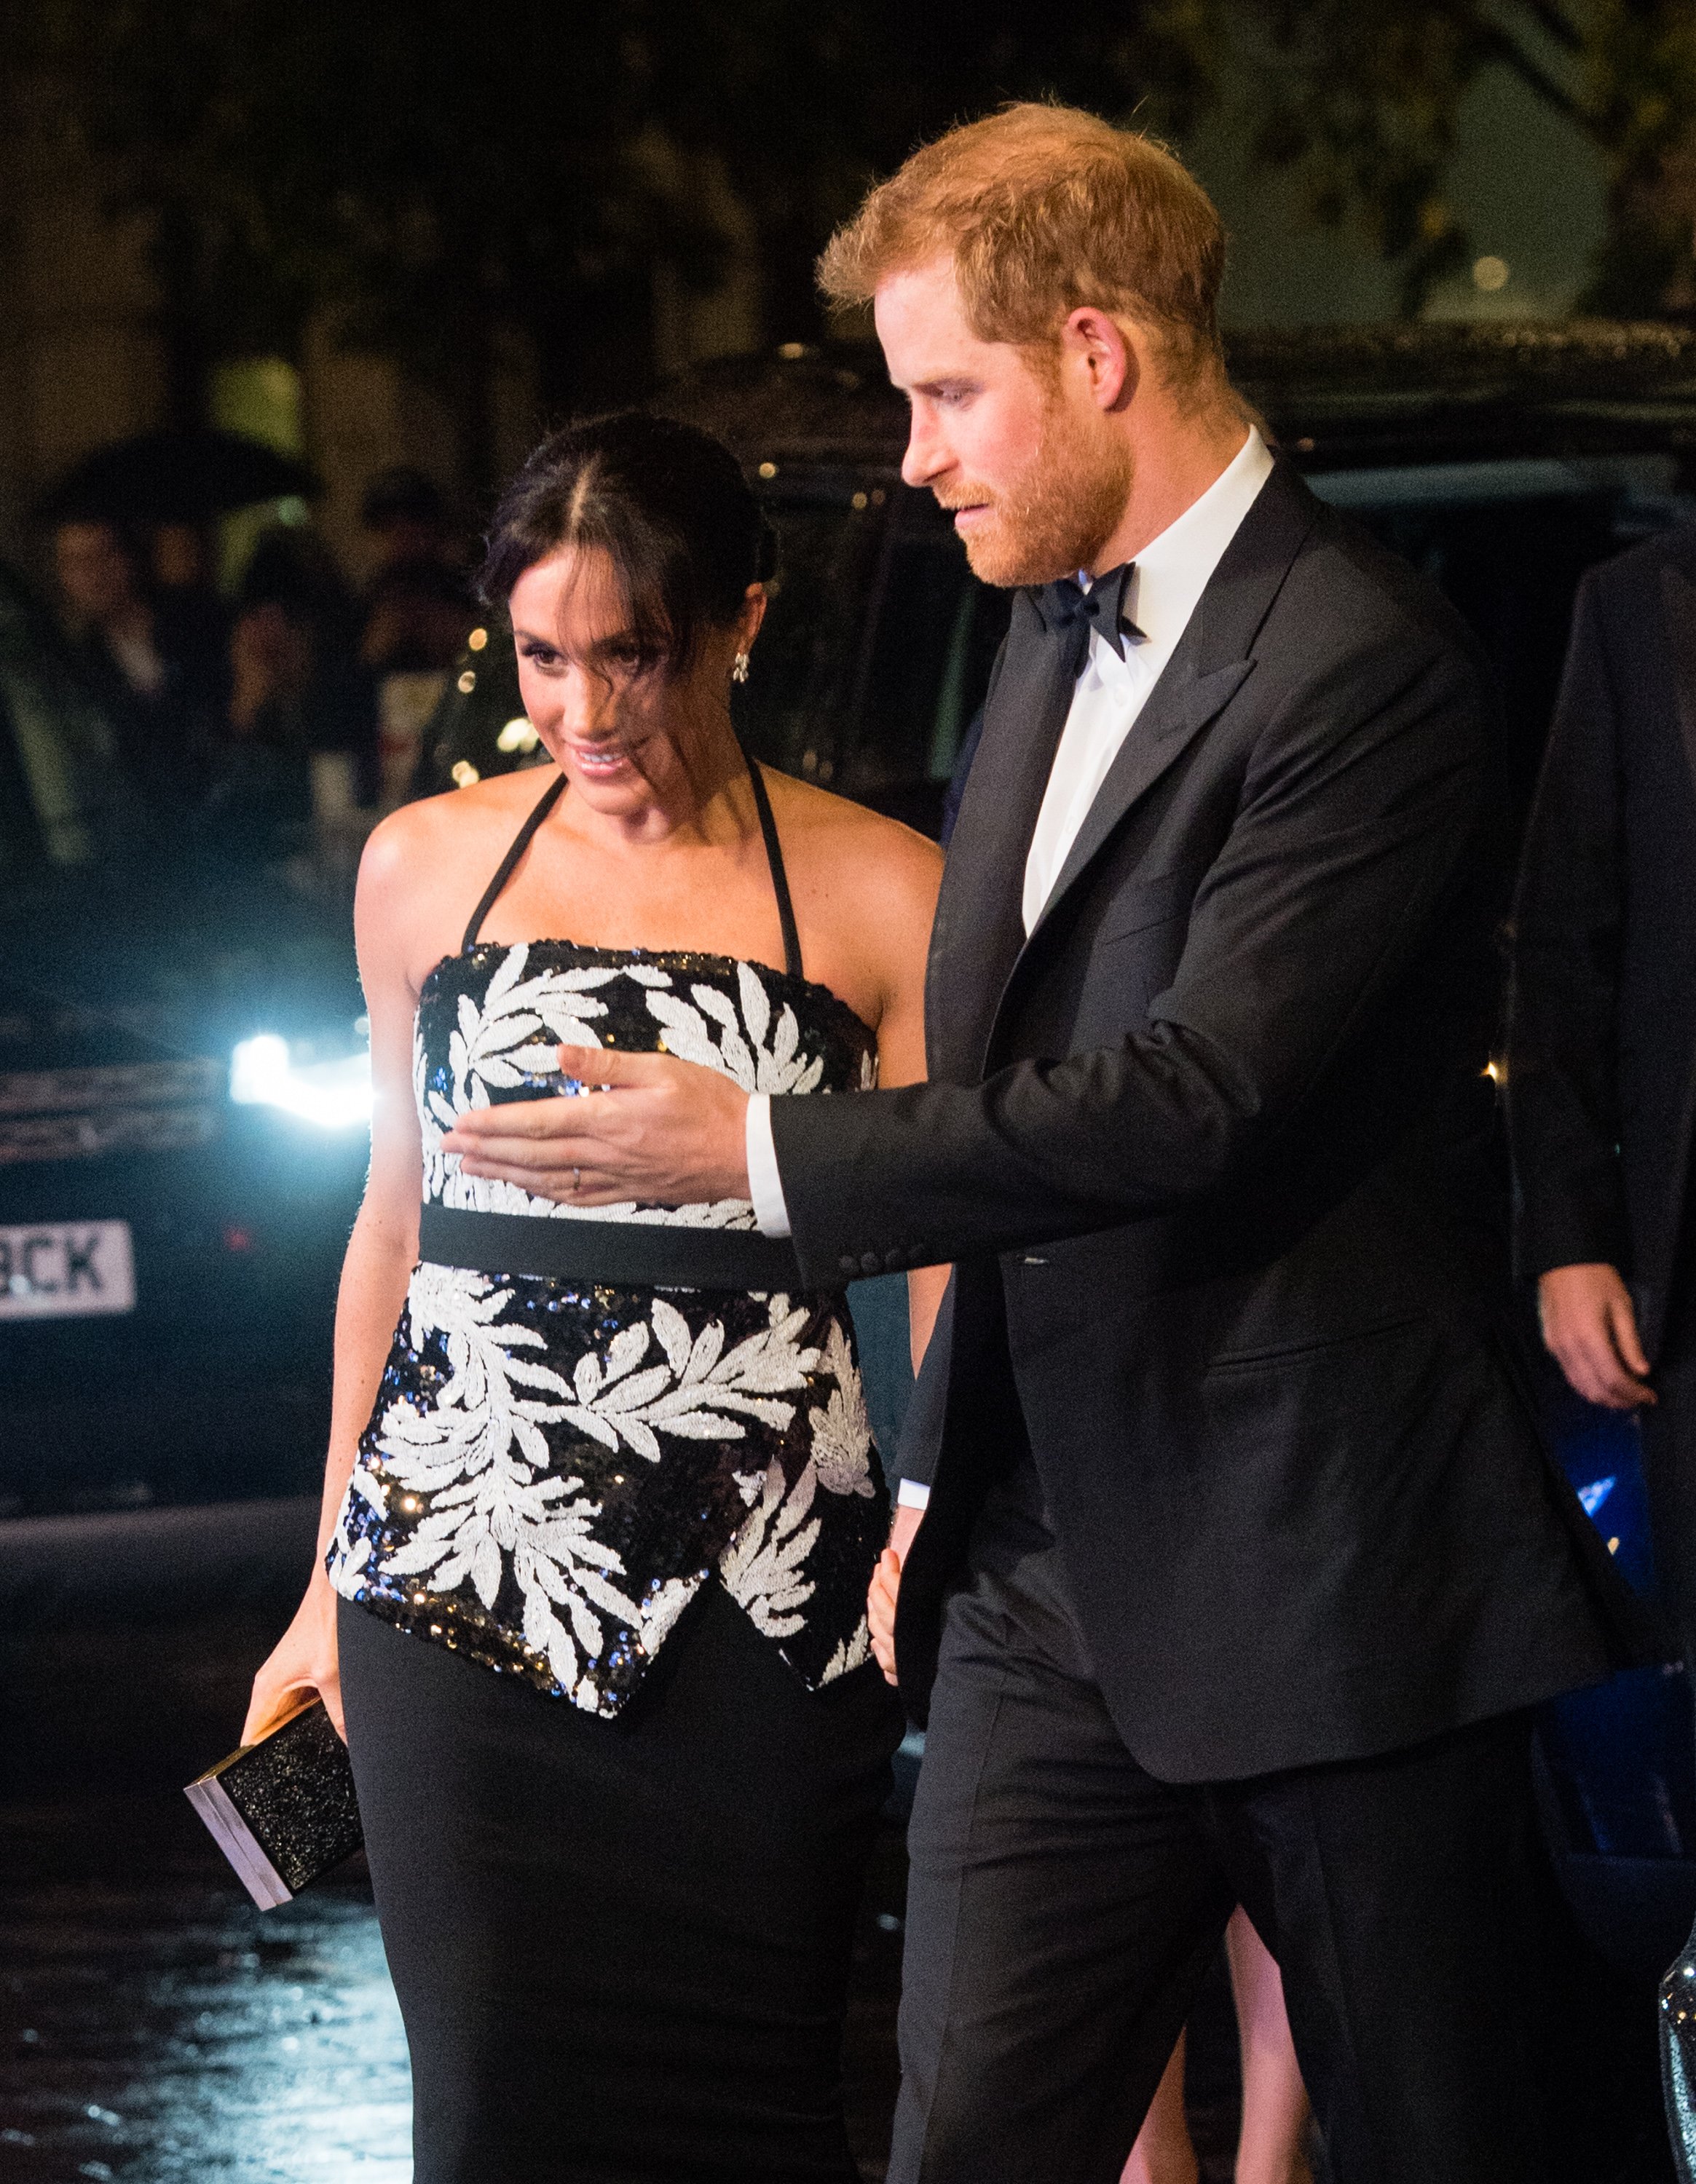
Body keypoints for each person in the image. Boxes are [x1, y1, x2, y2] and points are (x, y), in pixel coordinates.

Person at [441, 106, 1644, 2184]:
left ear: (1096, 351)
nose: (915, 457)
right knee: (971, 2142)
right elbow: (1010, 1052)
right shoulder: (1038, 627)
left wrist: (768, 1156)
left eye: (943, 393)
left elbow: (1195, 1096)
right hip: (1037, 1585)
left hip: (1321, 1578)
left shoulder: (1359, 661)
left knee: (1455, 2140)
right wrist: (931, 1469)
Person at [242, 410, 944, 2183]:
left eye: (628, 652)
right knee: (489, 2111)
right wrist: (329, 1573)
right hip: (455, 1590)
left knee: (770, 2109)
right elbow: (391, 1227)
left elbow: (946, 1250)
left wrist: (928, 1515)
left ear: (740, 625)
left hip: (772, 1596)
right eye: (544, 656)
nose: (583, 711)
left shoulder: (883, 890)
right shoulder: (421, 868)